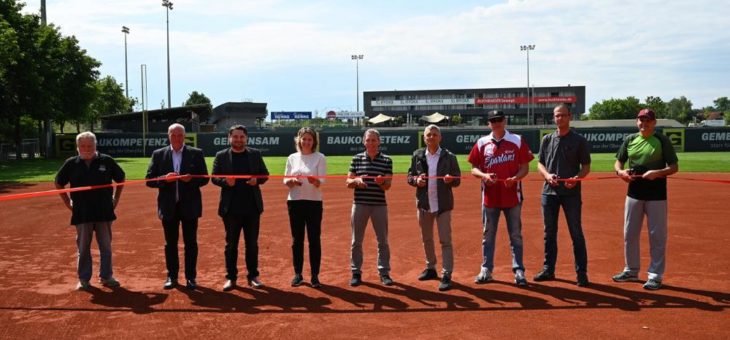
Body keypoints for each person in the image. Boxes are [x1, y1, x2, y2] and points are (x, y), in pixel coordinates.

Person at [613, 108, 678, 290]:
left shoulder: (662, 140)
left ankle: (655, 276)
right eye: (641, 120)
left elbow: (674, 167)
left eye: (648, 120)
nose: (644, 123)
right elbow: (618, 161)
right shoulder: (630, 140)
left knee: (656, 235)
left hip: (656, 195)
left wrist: (658, 172)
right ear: (637, 122)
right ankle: (631, 270)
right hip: (633, 193)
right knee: (629, 233)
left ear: (654, 122)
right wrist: (621, 172)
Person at [468, 110, 534, 287]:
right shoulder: (482, 143)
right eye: (492, 120)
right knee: (488, 235)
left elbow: (525, 167)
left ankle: (519, 271)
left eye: (498, 119)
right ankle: (486, 270)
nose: (496, 123)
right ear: (489, 123)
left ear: (504, 121)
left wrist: (516, 178)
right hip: (490, 198)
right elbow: (473, 168)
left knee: (515, 235)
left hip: (512, 196)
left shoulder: (517, 140)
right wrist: (484, 175)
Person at [55, 131, 125, 290]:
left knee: (105, 247)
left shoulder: (106, 161)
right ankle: (84, 279)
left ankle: (106, 276)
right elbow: (58, 183)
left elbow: (121, 179)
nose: (86, 149)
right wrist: (67, 202)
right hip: (82, 213)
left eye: (90, 145)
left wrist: (116, 199)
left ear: (95, 145)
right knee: (83, 248)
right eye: (83, 146)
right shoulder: (71, 163)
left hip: (104, 212)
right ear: (77, 147)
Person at [145, 123, 209, 290]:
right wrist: (164, 179)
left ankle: (190, 277)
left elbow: (204, 178)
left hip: (190, 206)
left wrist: (192, 180)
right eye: (173, 135)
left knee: (191, 243)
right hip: (168, 206)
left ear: (185, 136)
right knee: (170, 244)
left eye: (180, 135)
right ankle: (172, 277)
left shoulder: (196, 153)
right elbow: (149, 180)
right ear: (168, 136)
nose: (177, 138)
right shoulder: (158, 154)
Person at [534, 104, 591, 287]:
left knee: (576, 233)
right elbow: (540, 164)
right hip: (549, 192)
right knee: (549, 233)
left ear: (570, 117)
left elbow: (586, 167)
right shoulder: (547, 139)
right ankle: (548, 269)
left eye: (563, 116)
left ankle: (581, 273)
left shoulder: (579, 140)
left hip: (571, 193)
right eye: (557, 116)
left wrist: (576, 178)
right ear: (554, 118)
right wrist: (547, 175)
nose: (560, 119)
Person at [212, 125, 270, 291]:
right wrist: (225, 182)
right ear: (229, 138)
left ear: (246, 138)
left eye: (241, 137)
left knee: (252, 244)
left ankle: (253, 276)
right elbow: (214, 177)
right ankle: (231, 278)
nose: (238, 140)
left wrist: (256, 180)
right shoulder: (221, 156)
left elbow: (264, 175)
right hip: (230, 209)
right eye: (235, 137)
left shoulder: (255, 154)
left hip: (252, 208)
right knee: (231, 245)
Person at [407, 124, 461, 291]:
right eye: (428, 135)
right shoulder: (417, 155)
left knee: (445, 240)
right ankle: (431, 267)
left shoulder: (449, 156)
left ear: (440, 138)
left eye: (434, 135)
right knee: (427, 239)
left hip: (442, 204)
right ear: (424, 138)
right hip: (424, 204)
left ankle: (446, 273)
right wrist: (416, 181)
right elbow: (410, 176)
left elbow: (457, 179)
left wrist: (450, 179)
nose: (431, 137)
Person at [346, 129, 394, 287]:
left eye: (374, 140)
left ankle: (384, 272)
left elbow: (388, 186)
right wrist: (357, 181)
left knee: (383, 241)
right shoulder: (356, 159)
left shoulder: (387, 160)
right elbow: (348, 182)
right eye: (368, 140)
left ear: (379, 142)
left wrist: (382, 183)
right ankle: (356, 272)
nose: (371, 143)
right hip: (360, 204)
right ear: (364, 142)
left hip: (379, 204)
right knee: (356, 241)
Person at [283, 127, 327, 288]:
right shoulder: (292, 157)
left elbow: (321, 182)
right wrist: (292, 181)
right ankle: (298, 274)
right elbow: (285, 180)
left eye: (310, 139)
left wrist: (314, 180)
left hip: (314, 202)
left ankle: (315, 275)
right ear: (299, 140)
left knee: (314, 239)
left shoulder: (320, 157)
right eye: (304, 138)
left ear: (314, 141)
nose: (307, 142)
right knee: (297, 240)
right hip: (295, 202)